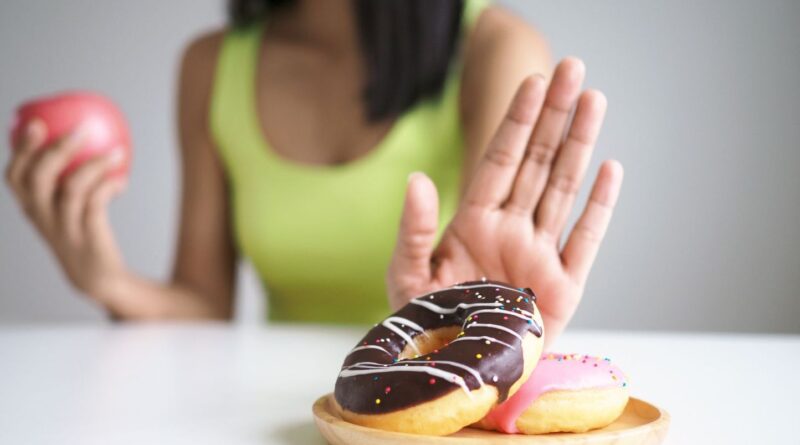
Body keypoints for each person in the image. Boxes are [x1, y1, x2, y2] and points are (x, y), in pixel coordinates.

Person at [4, 0, 622, 344]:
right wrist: (106, 279)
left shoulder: (494, 48)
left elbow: (500, 309)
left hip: (437, 413)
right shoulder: (211, 65)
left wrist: (474, 317)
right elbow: (203, 307)